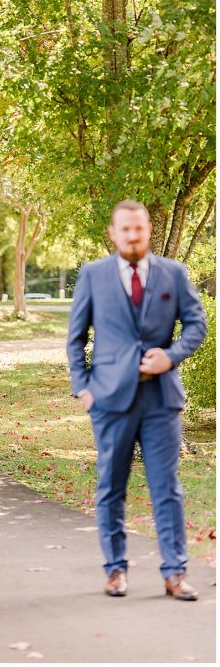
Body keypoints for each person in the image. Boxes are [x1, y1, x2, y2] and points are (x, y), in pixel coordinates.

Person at [67, 199, 206, 601]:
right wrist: (84, 389)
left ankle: (175, 573)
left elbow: (196, 323)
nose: (132, 236)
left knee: (168, 489)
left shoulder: (173, 274)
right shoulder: (93, 275)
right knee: (111, 487)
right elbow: (75, 338)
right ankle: (115, 570)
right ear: (113, 233)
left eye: (139, 229)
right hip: (110, 400)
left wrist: (172, 355)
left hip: (162, 400)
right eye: (125, 229)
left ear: (148, 231)